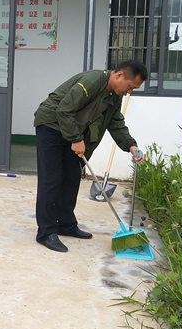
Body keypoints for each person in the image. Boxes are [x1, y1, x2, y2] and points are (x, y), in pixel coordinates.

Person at [32, 60, 147, 253]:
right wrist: (76, 139)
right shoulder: (93, 81)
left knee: (71, 177)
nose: (129, 92)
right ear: (119, 75)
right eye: (130, 87)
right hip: (51, 126)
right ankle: (46, 232)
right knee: (52, 180)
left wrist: (131, 145)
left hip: (71, 131)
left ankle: (65, 224)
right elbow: (64, 110)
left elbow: (115, 122)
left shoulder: (114, 95)